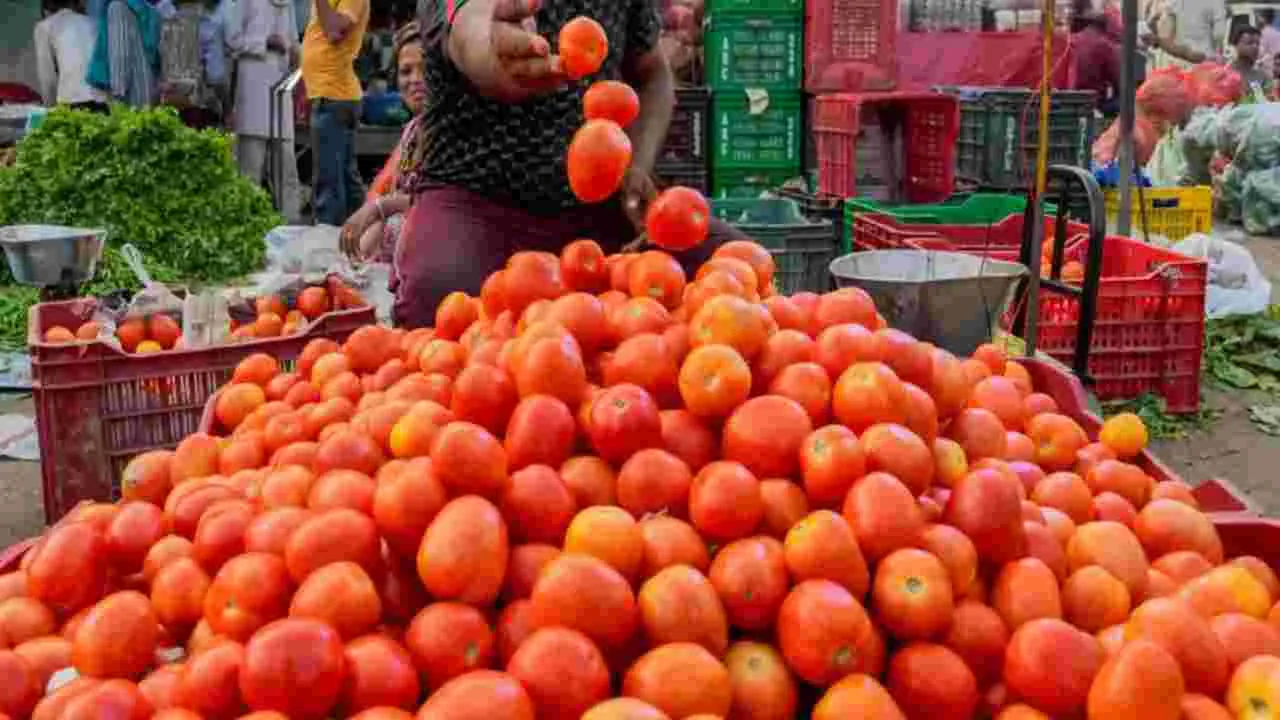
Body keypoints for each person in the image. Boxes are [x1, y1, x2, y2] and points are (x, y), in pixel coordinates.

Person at [391, 0, 746, 328]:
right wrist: (492, 48)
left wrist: (636, 166)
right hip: (472, 204)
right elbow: (470, 27)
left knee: (736, 271)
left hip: (596, 211)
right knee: (442, 306)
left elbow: (654, 75)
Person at [341, 20, 426, 262]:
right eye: (406, 71)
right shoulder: (412, 130)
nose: (415, 80)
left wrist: (378, 208)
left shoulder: (448, 130)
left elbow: (436, 204)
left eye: (425, 69)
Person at [230, 0, 303, 220]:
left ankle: (291, 227)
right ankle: (246, 228)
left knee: (287, 170)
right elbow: (232, 40)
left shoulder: (287, 4)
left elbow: (293, 42)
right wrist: (264, 43)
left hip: (282, 90)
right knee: (250, 172)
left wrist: (296, 56)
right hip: (253, 94)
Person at [301, 0, 370, 226]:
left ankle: (328, 242)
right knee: (344, 178)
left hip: (335, 95)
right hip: (330, 95)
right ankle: (360, 238)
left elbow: (334, 31)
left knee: (329, 181)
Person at [87, 0, 168, 106]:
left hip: (131, 96)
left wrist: (117, 94)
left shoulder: (118, 7)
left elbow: (120, 55)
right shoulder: (147, 8)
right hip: (149, 87)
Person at [1070, 8, 1120, 115]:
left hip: (1068, 100)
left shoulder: (1071, 39)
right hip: (1093, 103)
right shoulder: (1105, 45)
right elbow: (1119, 82)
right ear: (1106, 27)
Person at [1152, 0, 1227, 67]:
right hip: (1206, 61)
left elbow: (1167, 39)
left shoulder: (1172, 5)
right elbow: (1219, 36)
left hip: (1182, 62)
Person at [1230, 24, 1273, 100]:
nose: (1255, 47)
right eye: (1249, 43)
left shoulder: (1262, 76)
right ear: (1235, 45)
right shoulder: (1224, 74)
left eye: (1257, 44)